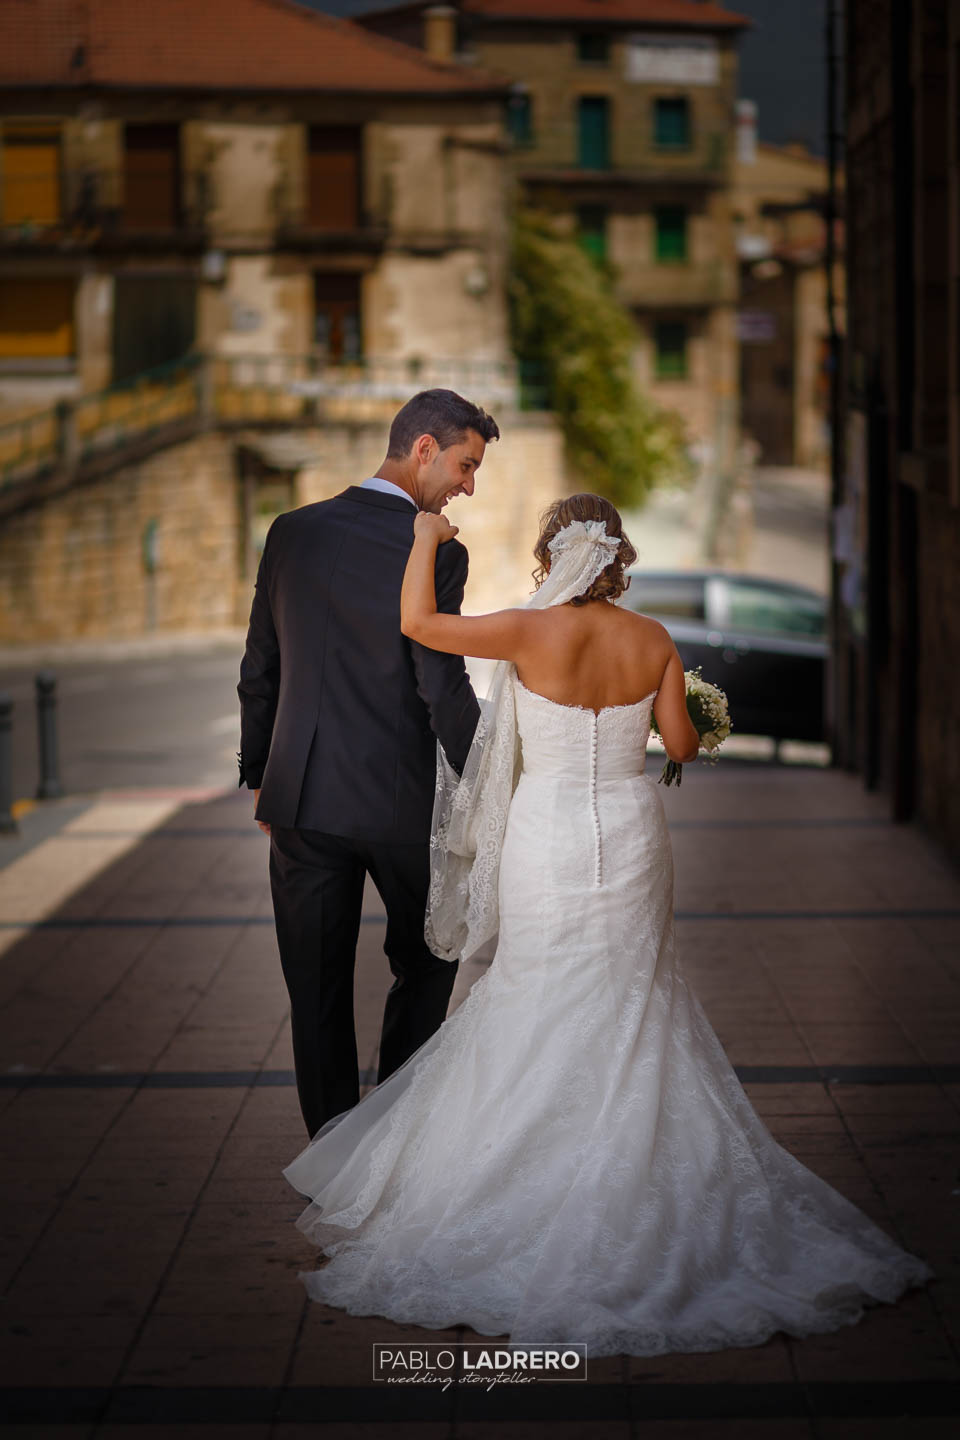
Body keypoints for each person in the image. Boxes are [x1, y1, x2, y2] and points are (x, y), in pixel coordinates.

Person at [281, 493, 934, 1356]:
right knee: (634, 995)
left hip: (547, 833)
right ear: (619, 557)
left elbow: (416, 620)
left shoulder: (525, 630)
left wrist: (425, 535)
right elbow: (682, 747)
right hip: (629, 832)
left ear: (555, 555)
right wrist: (693, 708)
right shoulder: (654, 641)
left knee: (537, 988)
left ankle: (517, 1182)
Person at [237, 389, 499, 1138]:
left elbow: (261, 667)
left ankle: (332, 1154)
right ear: (423, 449)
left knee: (314, 989)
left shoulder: (291, 532)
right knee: (430, 959)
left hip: (301, 804)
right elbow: (438, 683)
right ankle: (390, 1133)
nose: (468, 486)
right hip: (397, 806)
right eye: (465, 465)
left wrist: (263, 778)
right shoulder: (439, 550)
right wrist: (488, 778)